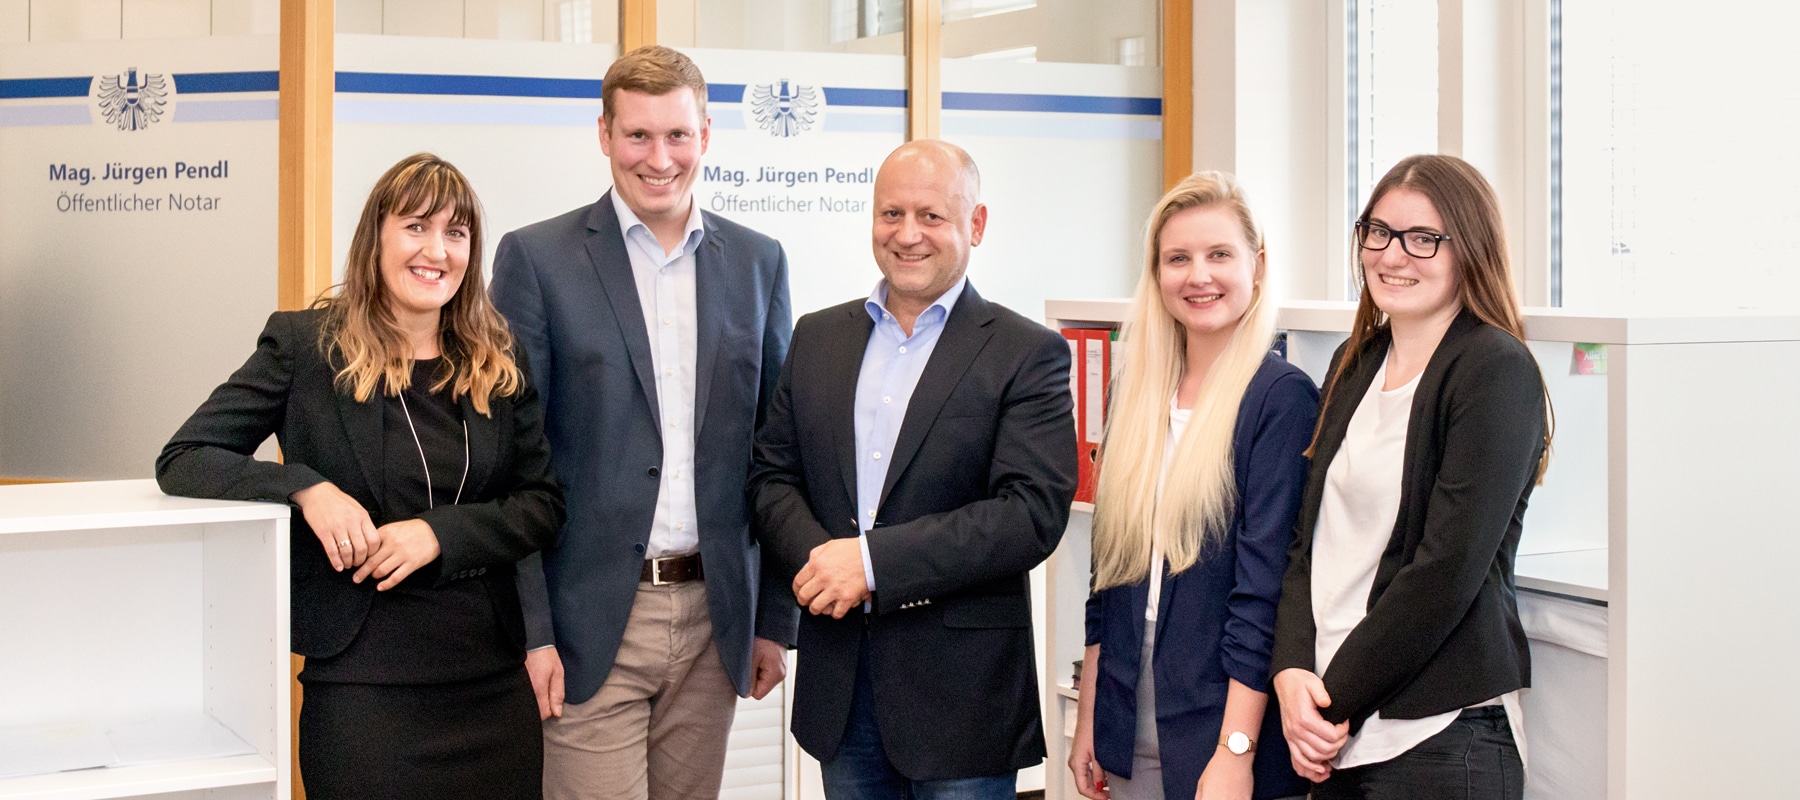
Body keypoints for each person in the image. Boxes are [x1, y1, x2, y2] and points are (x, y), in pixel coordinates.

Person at [156, 153, 564, 799]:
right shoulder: (305, 347)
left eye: (456, 233)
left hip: (490, 682)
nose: (437, 251)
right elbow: (185, 456)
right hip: (363, 690)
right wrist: (305, 488)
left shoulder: (497, 357)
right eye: (416, 226)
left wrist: (439, 535)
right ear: (376, 235)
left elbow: (542, 504)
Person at [489, 44, 795, 800]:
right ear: (604, 135)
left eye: (678, 135)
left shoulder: (759, 262)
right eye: (638, 136)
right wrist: (533, 630)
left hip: (715, 620)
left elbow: (779, 456)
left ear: (706, 135)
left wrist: (774, 618)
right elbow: (509, 461)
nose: (660, 159)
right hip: (589, 622)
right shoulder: (537, 259)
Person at [749, 139, 1077, 800]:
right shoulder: (818, 337)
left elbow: (1029, 515)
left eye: (931, 216)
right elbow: (771, 477)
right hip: (843, 688)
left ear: (975, 224)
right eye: (891, 214)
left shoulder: (1026, 352)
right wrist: (826, 566)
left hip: (964, 701)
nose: (907, 234)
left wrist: (870, 565)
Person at [1268, 154, 1552, 799]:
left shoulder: (1494, 368)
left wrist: (1329, 704)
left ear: (1469, 248)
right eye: (1379, 232)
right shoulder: (1355, 361)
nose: (1393, 255)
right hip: (1335, 731)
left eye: (1424, 238)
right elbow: (1306, 543)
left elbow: (1445, 571)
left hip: (1438, 737)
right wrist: (1289, 673)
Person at [1067, 173, 1317, 800]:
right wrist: (1090, 716)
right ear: (1156, 274)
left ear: (1258, 265)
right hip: (1126, 703)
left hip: (1221, 712)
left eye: (1219, 254)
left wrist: (1236, 752)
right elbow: (1108, 574)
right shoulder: (1135, 392)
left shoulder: (1280, 399)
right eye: (1177, 258)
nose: (1198, 276)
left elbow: (1263, 593)